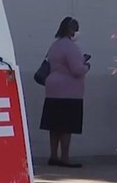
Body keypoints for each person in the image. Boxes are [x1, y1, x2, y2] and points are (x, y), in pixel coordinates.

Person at [39, 16, 90, 168]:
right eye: (76, 29)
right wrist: (87, 66)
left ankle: (53, 155)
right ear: (71, 30)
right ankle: (65, 157)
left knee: (54, 126)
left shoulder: (54, 45)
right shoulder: (71, 47)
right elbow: (77, 70)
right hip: (69, 91)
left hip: (52, 89)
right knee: (67, 126)